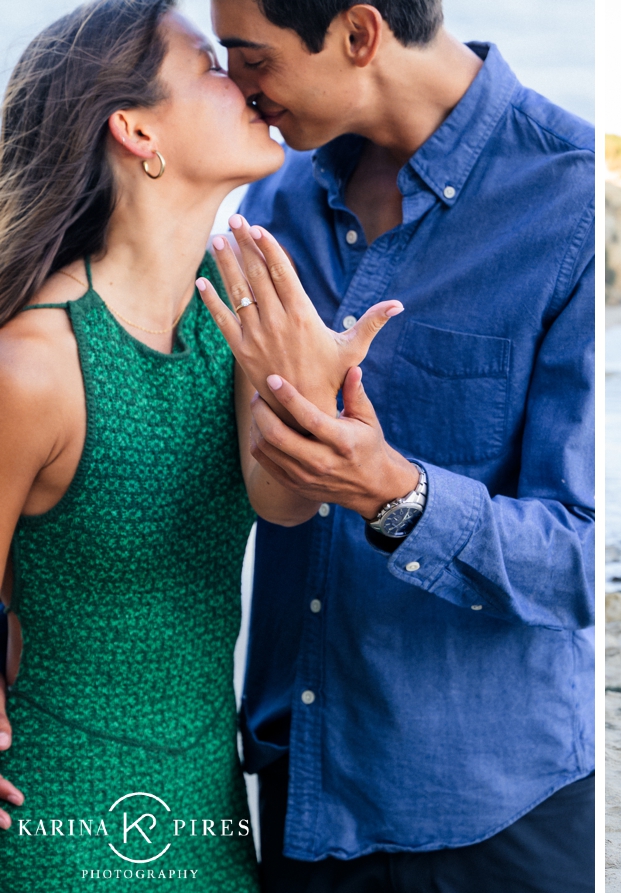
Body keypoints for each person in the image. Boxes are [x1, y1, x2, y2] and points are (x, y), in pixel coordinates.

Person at [0, 1, 395, 887]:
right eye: (213, 68)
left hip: (209, 816)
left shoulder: (238, 301)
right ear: (137, 129)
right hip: (56, 821)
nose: (248, 83)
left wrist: (310, 390)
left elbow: (281, 500)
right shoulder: (33, 363)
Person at [202, 1, 596, 890]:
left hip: (494, 816)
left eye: (250, 56)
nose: (234, 86)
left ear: (358, 35)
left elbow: (584, 554)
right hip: (298, 785)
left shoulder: (574, 203)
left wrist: (398, 493)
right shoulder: (275, 200)